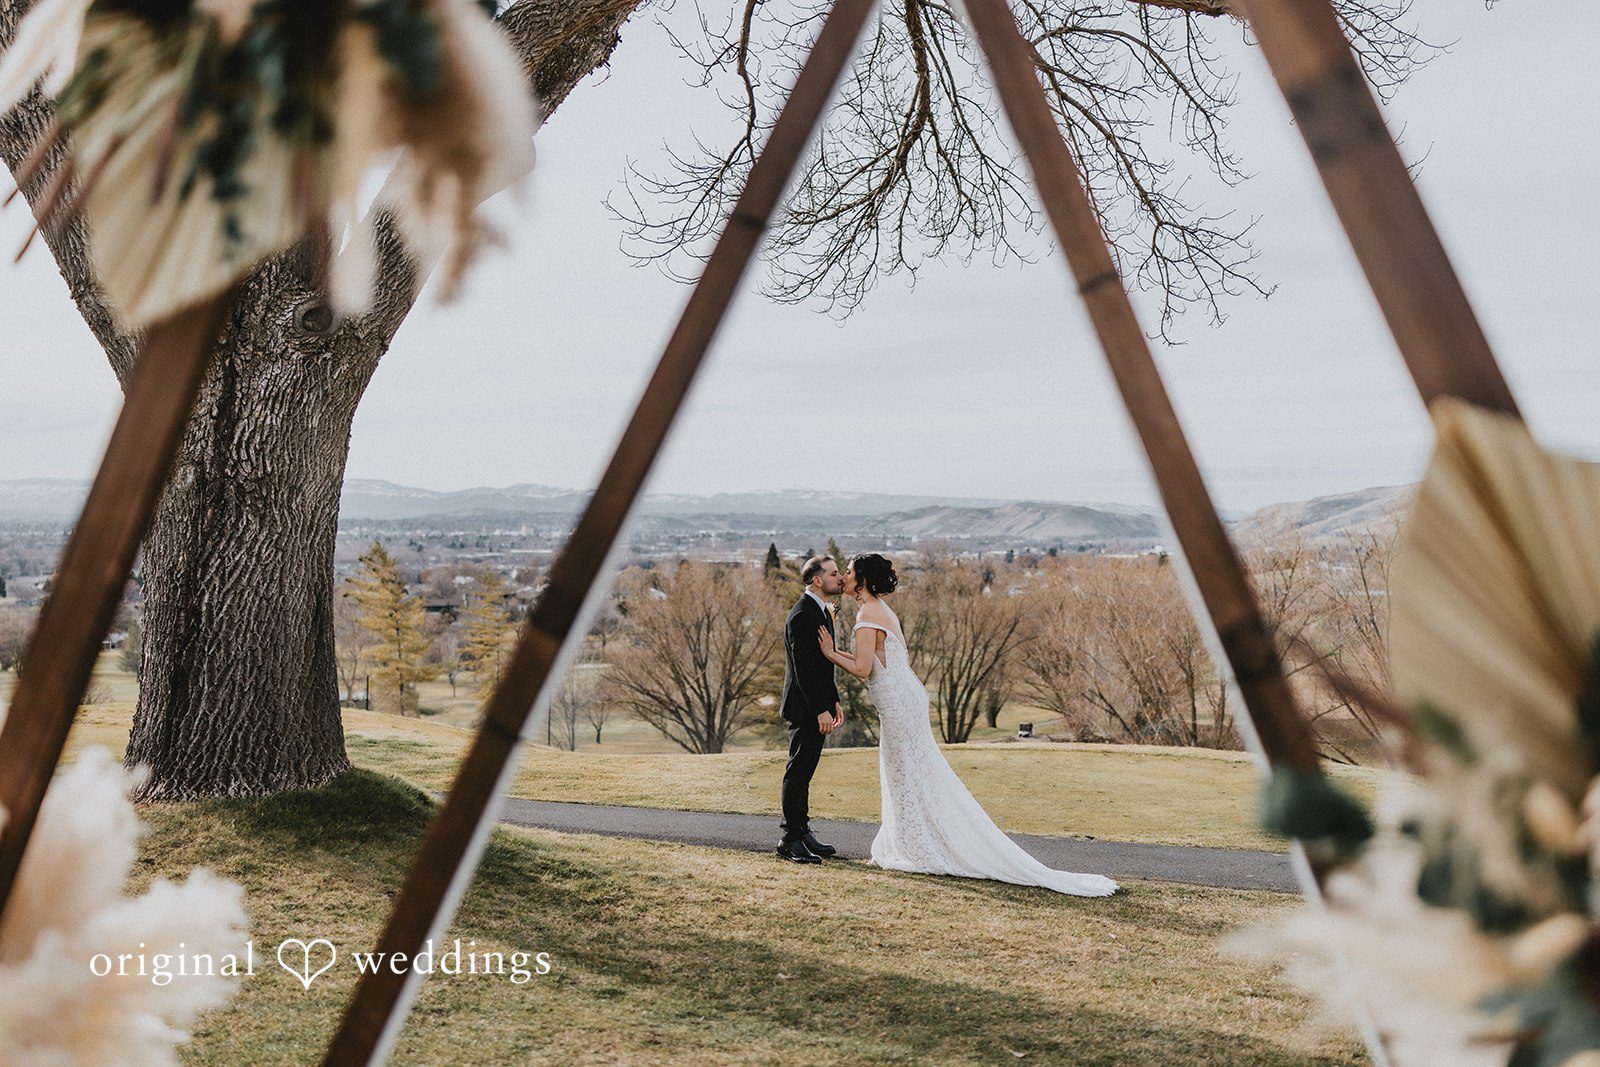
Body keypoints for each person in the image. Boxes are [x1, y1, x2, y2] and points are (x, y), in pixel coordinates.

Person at [818, 553, 1117, 896]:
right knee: (911, 771)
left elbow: (862, 667)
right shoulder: (881, 610)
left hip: (899, 704)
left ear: (864, 580)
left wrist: (830, 654)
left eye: (851, 572)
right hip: (904, 698)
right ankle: (911, 839)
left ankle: (919, 846)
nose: (845, 577)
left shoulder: (868, 612)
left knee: (903, 770)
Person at [775, 555, 844, 864]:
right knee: (798, 772)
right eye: (833, 573)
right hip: (804, 708)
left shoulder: (820, 611)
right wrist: (819, 709)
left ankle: (803, 833)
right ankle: (790, 838)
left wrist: (834, 700)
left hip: (816, 705)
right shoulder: (803, 615)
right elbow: (804, 669)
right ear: (817, 580)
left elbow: (822, 665)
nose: (839, 577)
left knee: (806, 772)